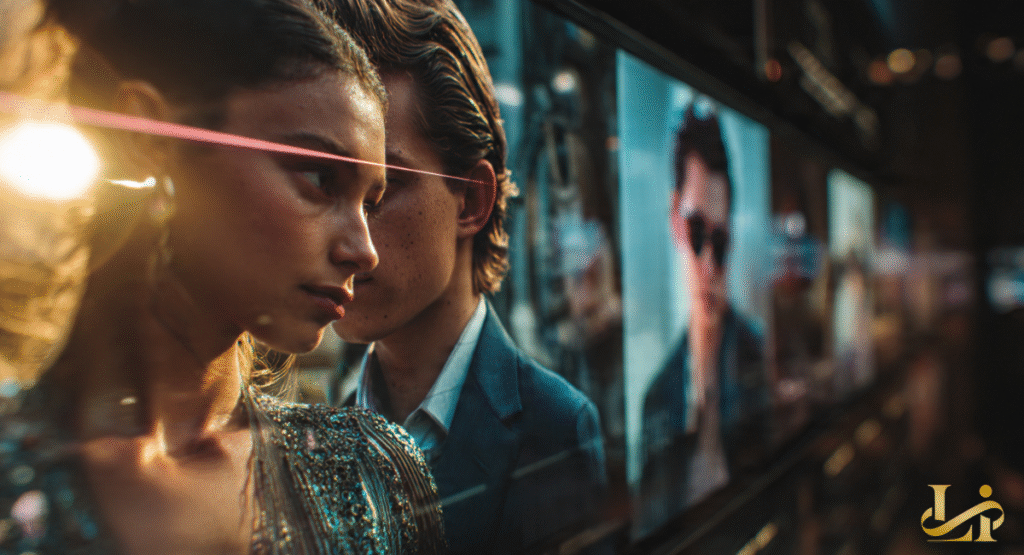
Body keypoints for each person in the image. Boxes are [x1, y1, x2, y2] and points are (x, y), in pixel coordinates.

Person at [0, 0, 445, 553]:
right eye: (318, 177)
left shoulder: (372, 474)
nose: (364, 252)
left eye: (370, 203)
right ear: (154, 137)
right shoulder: (16, 475)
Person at [321, 0, 608, 552]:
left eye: (381, 190)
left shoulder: (556, 427)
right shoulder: (327, 434)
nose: (345, 238)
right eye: (327, 182)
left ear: (471, 200)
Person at [637, 104, 769, 535]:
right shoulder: (658, 398)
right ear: (675, 221)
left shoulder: (757, 358)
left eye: (722, 240)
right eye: (697, 232)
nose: (710, 264)